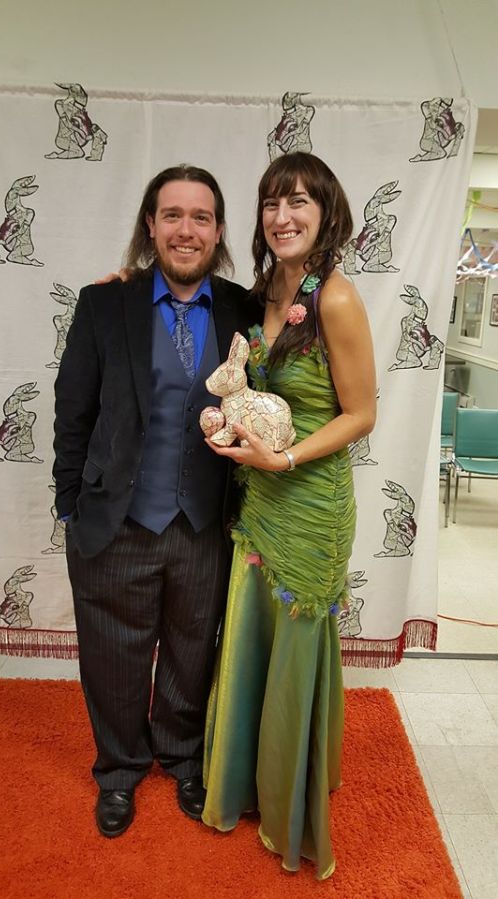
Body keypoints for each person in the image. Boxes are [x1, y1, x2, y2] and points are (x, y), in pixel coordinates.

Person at [53, 165, 261, 838]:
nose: (185, 230)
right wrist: (69, 504)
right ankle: (118, 770)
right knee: (113, 655)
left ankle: (181, 756)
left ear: (219, 231)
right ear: (151, 224)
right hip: (117, 521)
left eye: (201, 217)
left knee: (192, 652)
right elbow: (73, 410)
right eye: (172, 215)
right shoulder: (103, 303)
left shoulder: (243, 309)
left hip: (204, 523)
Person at [201, 152, 376, 879]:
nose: (283, 216)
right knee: (252, 635)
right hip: (259, 497)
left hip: (310, 501)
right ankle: (244, 781)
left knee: (296, 644)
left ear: (326, 212)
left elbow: (361, 414)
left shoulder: (335, 297)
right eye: (272, 202)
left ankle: (288, 804)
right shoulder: (262, 292)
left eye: (299, 201)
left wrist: (288, 458)